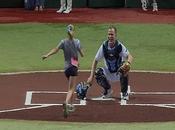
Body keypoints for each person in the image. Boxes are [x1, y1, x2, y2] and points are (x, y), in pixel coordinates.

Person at [42, 24, 84, 118]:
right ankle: (66, 102)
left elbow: (55, 50)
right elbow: (82, 54)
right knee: (71, 89)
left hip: (66, 69)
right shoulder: (77, 42)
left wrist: (47, 55)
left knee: (70, 87)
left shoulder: (63, 42)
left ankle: (70, 105)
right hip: (73, 67)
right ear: (73, 31)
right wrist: (79, 50)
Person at [87, 26, 133, 101]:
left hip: (118, 72)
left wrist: (128, 63)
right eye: (109, 34)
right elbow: (95, 60)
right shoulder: (104, 46)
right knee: (98, 72)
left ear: (115, 35)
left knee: (125, 66)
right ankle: (108, 90)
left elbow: (130, 56)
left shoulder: (119, 46)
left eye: (112, 34)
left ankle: (124, 93)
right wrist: (91, 77)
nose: (110, 36)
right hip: (108, 72)